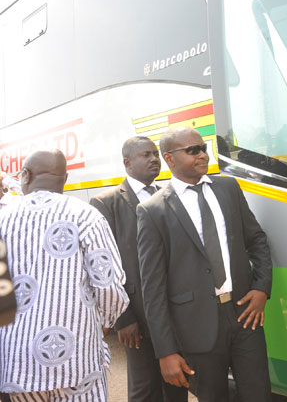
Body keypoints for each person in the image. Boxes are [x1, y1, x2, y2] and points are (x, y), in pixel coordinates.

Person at [137, 127, 273, 402]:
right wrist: (166, 352)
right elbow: (152, 289)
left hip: (244, 314)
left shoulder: (228, 188)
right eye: (193, 150)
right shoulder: (153, 211)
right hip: (196, 327)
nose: (202, 155)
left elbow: (256, 240)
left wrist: (261, 288)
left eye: (203, 148)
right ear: (169, 158)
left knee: (259, 395)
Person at [0, 149, 128, 402]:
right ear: (65, 178)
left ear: (25, 175)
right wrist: (106, 321)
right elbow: (109, 283)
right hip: (78, 361)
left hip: (18, 364)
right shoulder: (86, 215)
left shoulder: (3, 219)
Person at [90, 137, 188, 402]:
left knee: (177, 384)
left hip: (174, 309)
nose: (154, 159)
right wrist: (123, 318)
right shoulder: (105, 202)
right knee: (145, 388)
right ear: (127, 162)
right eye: (146, 155)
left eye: (156, 154)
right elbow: (105, 267)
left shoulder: (169, 195)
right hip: (137, 314)